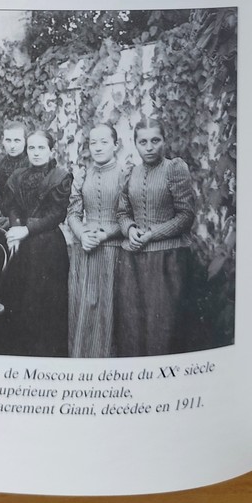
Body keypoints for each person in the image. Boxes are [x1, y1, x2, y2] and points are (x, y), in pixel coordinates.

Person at [115, 116, 195, 357]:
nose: (149, 147)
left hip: (167, 261)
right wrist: (130, 229)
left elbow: (186, 215)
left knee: (163, 329)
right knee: (133, 328)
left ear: (164, 141)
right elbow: (122, 212)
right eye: (143, 142)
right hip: (133, 262)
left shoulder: (175, 168)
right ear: (136, 144)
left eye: (155, 140)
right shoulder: (131, 172)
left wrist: (151, 234)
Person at [2, 128, 72, 357]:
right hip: (22, 247)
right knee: (20, 301)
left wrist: (26, 229)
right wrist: (15, 226)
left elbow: (56, 214)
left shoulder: (60, 177)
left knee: (46, 306)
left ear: (52, 151)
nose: (36, 152)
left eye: (41, 148)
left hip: (48, 246)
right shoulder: (18, 176)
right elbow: (11, 206)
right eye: (31, 147)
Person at [66, 123, 123, 357]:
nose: (98, 148)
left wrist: (105, 234)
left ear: (115, 145)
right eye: (93, 142)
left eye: (104, 142)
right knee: (81, 310)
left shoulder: (126, 174)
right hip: (85, 251)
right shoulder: (82, 174)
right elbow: (73, 212)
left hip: (114, 252)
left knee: (108, 314)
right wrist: (81, 234)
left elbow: (130, 217)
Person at [0, 118, 30, 228]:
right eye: (8, 140)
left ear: (25, 141)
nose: (12, 146)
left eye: (17, 141)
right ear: (3, 141)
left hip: (25, 220)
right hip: (0, 217)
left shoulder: (31, 165)